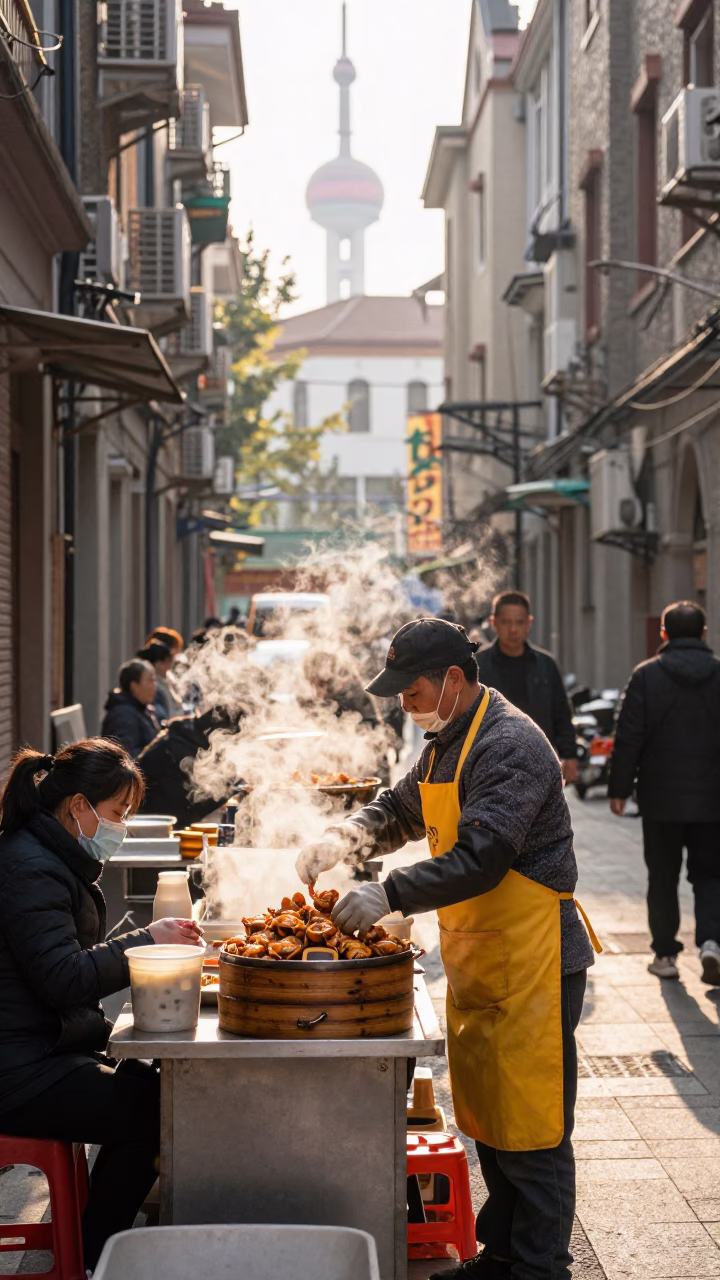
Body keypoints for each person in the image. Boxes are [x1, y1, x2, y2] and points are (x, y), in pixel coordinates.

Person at [296, 618, 598, 1280]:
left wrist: (389, 893)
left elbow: (484, 856)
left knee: (534, 1129)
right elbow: (401, 810)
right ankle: (504, 1255)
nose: (403, 701)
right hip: (485, 957)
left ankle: (541, 1267)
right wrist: (348, 835)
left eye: (411, 689)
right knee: (491, 1120)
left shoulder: (509, 743)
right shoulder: (446, 743)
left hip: (537, 962)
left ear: (453, 680)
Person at [0, 739, 203, 1270]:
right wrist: (143, 943)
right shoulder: (29, 867)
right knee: (161, 1113)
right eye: (118, 813)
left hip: (43, 1049)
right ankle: (94, 1257)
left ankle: (95, 1243)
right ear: (78, 807)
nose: (122, 827)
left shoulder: (47, 855)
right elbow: (64, 978)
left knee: (158, 1088)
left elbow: (62, 955)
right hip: (20, 1070)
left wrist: (139, 939)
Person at [608, 600, 720, 984]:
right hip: (712, 800)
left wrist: (619, 788)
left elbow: (629, 737)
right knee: (710, 875)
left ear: (664, 634)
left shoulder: (646, 676)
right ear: (704, 633)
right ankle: (712, 943)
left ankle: (666, 955)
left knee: (663, 877)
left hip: (660, 799)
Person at [475, 590, 578, 784]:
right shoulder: (478, 666)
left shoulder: (545, 665)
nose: (513, 629)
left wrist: (569, 755)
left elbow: (561, 713)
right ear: (494, 623)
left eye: (519, 622)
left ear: (529, 623)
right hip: (491, 765)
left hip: (540, 762)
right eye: (506, 622)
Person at [137, 706, 242, 829]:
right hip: (152, 827)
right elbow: (185, 814)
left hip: (156, 819)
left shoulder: (187, 737)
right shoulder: (182, 753)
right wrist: (232, 786)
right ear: (222, 734)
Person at [101, 659, 160, 759]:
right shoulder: (123, 716)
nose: (154, 686)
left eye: (155, 680)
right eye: (150, 680)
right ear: (134, 686)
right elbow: (127, 757)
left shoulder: (140, 709)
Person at [136, 641, 182, 722]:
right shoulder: (152, 686)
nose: (169, 665)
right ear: (158, 663)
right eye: (167, 661)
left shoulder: (168, 680)